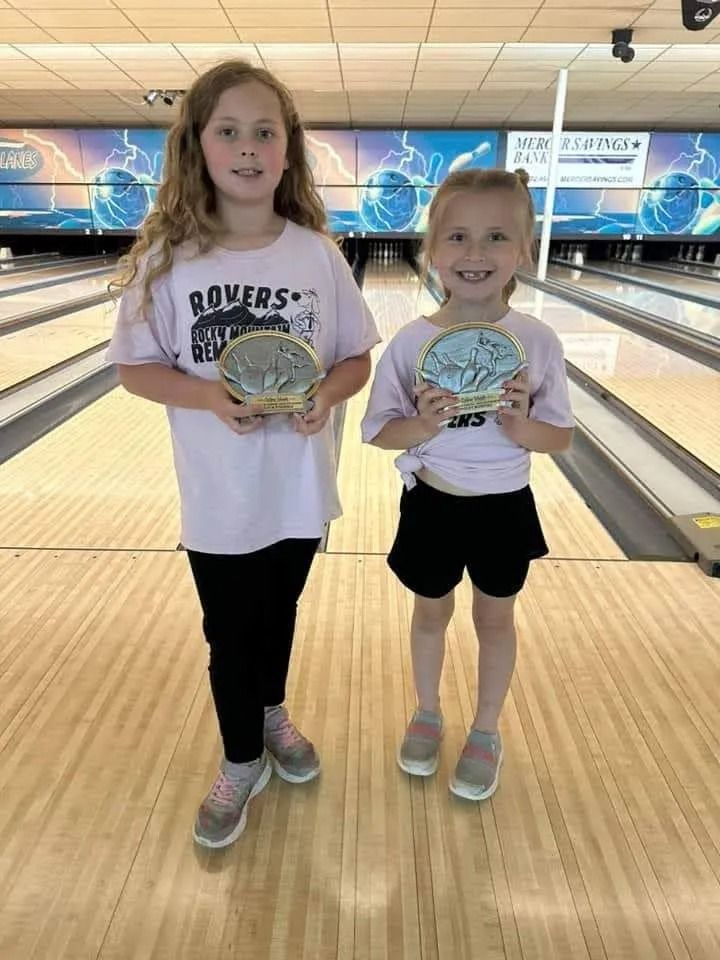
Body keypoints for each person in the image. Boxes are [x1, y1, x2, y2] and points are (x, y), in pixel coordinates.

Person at [107, 60, 379, 848]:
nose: (249, 147)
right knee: (230, 633)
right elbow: (134, 368)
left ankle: (270, 711)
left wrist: (327, 395)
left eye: (266, 131)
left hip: (297, 488)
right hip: (219, 497)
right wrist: (208, 398)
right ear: (199, 146)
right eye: (228, 130)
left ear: (288, 151)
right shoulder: (170, 261)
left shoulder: (316, 255)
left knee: (278, 615)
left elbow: (356, 357)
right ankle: (240, 762)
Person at [360, 168, 573, 801]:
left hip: (505, 507)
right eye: (457, 236)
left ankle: (485, 729)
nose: (475, 253)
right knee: (430, 614)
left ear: (524, 250)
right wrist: (420, 423)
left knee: (495, 619)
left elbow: (559, 437)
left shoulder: (537, 340)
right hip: (433, 503)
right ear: (431, 249)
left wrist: (523, 426)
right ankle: (427, 711)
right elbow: (377, 433)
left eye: (496, 237)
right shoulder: (410, 342)